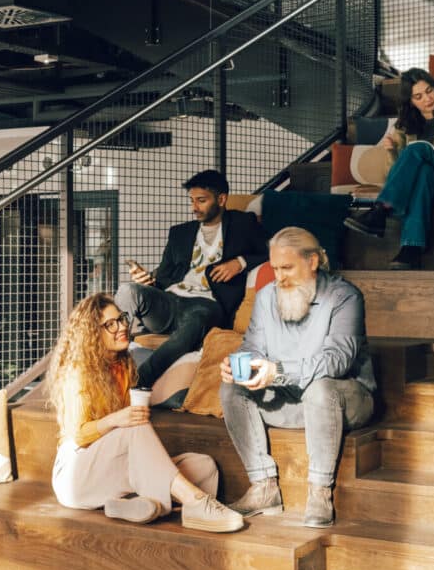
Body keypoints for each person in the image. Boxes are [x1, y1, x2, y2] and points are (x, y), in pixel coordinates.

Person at [219, 227, 376, 528]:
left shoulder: (345, 297)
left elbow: (337, 361)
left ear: (313, 261)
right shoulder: (266, 297)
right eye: (275, 268)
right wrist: (240, 365)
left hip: (344, 400)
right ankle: (263, 487)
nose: (279, 277)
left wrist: (277, 372)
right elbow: (253, 346)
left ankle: (319, 491)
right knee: (232, 389)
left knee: (320, 389)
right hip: (291, 399)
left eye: (287, 268)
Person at [49, 292, 244, 533]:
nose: (122, 327)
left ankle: (134, 504)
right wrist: (116, 419)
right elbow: (77, 435)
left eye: (121, 319)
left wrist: (127, 419)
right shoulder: (77, 373)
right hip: (76, 474)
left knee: (205, 466)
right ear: (92, 334)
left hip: (111, 466)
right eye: (110, 324)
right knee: (133, 426)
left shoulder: (123, 366)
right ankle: (195, 502)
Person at [115, 169, 268, 388]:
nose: (194, 207)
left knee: (197, 319)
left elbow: (271, 252)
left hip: (207, 304)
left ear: (221, 199)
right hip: (170, 301)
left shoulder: (244, 223)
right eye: (192, 200)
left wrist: (240, 262)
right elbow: (164, 276)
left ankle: (135, 382)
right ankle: (108, 364)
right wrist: (148, 281)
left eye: (201, 200)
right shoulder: (180, 233)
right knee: (127, 290)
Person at [345, 67, 434, 270]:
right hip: (427, 188)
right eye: (418, 96)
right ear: (411, 101)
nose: (427, 99)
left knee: (418, 148)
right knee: (423, 173)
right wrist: (391, 152)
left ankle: (381, 210)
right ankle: (411, 249)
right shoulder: (405, 125)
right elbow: (394, 175)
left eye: (429, 91)